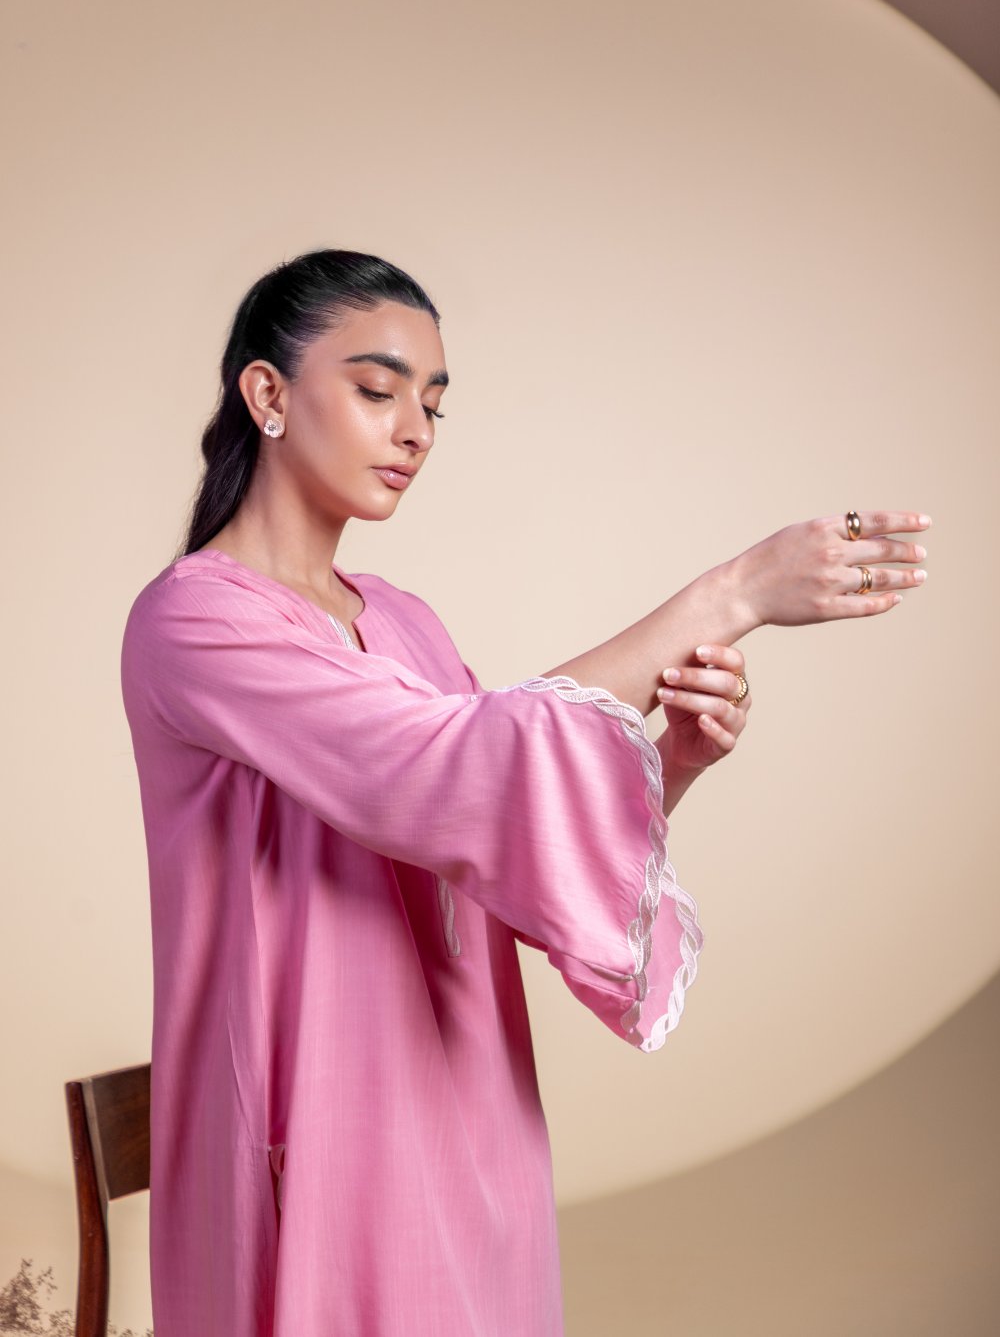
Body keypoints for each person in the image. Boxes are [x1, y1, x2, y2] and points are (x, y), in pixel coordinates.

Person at [119, 249, 930, 1337]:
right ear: (267, 392)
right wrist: (730, 595)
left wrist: (674, 758)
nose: (415, 429)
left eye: (433, 403)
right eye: (378, 389)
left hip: (472, 1117)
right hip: (318, 1132)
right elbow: (454, 762)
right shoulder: (195, 620)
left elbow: (491, 833)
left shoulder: (403, 619)